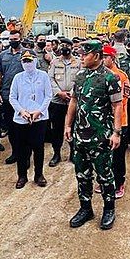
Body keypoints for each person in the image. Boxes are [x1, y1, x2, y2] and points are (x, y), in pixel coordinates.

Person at [64, 40, 122, 230]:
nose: (81, 57)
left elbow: (117, 105)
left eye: (85, 54)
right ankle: (86, 208)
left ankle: (109, 209)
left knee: (105, 176)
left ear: (96, 56)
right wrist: (68, 125)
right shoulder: (80, 76)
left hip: (101, 137)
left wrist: (116, 132)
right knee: (82, 174)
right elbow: (73, 101)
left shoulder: (110, 78)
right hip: (80, 136)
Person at [9, 50, 52, 188]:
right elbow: (12, 97)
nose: (27, 64)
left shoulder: (43, 76)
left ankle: (39, 174)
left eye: (29, 61)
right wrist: (22, 111)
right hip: (22, 118)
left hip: (39, 118)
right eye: (24, 61)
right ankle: (22, 176)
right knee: (21, 149)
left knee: (38, 148)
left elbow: (48, 96)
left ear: (35, 61)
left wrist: (39, 111)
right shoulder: (18, 77)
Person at [101, 45, 129, 198]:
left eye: (105, 56)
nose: (103, 59)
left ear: (113, 58)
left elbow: (123, 100)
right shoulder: (100, 75)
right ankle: (106, 179)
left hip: (119, 121)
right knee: (104, 153)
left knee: (118, 155)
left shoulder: (121, 76)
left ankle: (119, 182)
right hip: (103, 122)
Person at [47, 37, 80, 166]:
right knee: (56, 128)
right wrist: (59, 93)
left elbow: (80, 78)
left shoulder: (78, 62)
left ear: (72, 47)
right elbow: (50, 79)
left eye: (67, 45)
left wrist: (72, 93)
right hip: (57, 101)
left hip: (73, 100)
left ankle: (73, 152)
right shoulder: (54, 62)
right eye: (63, 45)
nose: (65, 48)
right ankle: (56, 154)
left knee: (73, 126)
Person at [0, 29, 24, 164]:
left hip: (23, 97)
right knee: (11, 126)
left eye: (15, 39)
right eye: (11, 39)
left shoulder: (28, 54)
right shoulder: (3, 55)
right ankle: (16, 153)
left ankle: (25, 154)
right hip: (6, 95)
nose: (13, 42)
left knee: (24, 127)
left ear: (20, 39)